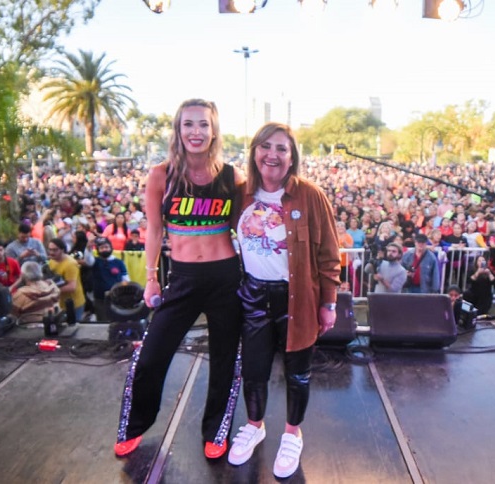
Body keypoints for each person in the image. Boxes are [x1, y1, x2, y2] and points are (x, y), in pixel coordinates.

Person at [115, 99, 245, 462]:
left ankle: (216, 431)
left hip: (225, 277)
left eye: (203, 124)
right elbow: (155, 231)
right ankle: (134, 426)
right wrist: (151, 277)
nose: (196, 132)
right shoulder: (161, 175)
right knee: (151, 356)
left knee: (224, 359)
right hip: (183, 277)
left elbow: (246, 226)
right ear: (178, 130)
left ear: (214, 131)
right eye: (188, 124)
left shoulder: (232, 177)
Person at [228, 122, 340, 478]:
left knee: (298, 374)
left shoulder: (310, 195)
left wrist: (329, 302)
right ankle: (255, 425)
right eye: (265, 146)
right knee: (254, 370)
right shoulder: (241, 195)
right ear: (254, 152)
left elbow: (329, 254)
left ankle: (292, 433)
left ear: (292, 157)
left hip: (298, 298)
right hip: (253, 295)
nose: (272, 155)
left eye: (281, 148)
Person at [46, 238, 86, 323]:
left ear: (62, 250)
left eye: (55, 250)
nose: (51, 252)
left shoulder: (70, 264)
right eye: (50, 249)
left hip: (73, 303)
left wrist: (50, 291)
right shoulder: (52, 261)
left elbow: (71, 287)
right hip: (60, 302)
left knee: (73, 327)